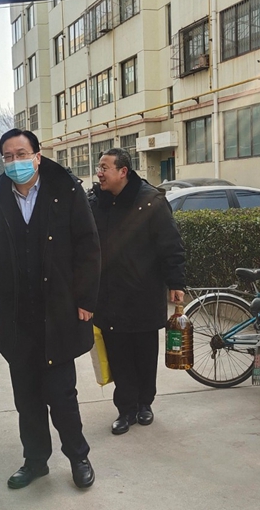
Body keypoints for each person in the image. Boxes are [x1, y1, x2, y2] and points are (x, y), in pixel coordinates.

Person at [0, 129, 100, 490]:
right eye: (8, 156)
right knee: (26, 397)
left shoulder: (65, 190)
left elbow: (88, 246)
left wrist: (86, 299)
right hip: (17, 313)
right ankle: (36, 461)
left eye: (21, 154)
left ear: (37, 156)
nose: (15, 162)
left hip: (59, 310)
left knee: (61, 394)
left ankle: (78, 457)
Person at [89, 148, 186, 435]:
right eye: (99, 167)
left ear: (123, 171)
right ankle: (125, 409)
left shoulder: (151, 201)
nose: (99, 173)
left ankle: (145, 404)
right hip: (109, 295)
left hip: (144, 293)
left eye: (105, 167)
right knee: (119, 356)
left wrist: (176, 283)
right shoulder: (95, 203)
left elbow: (171, 245)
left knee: (144, 353)